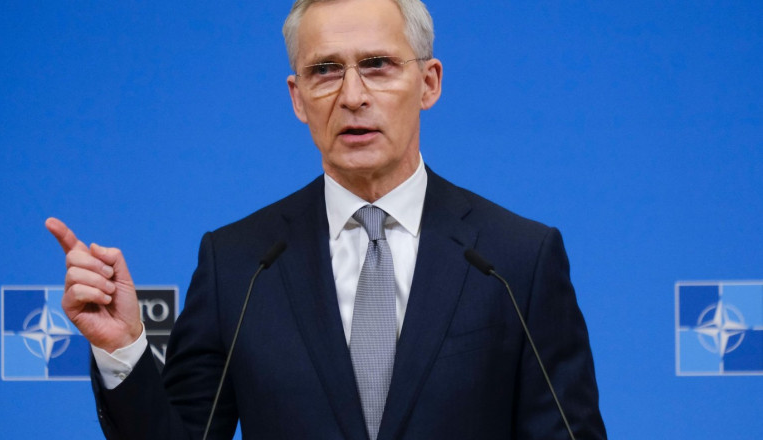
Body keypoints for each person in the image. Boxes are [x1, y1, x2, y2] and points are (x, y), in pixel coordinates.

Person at [46, 0, 607, 438]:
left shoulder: (516, 258)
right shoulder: (238, 264)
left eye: (378, 66)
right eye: (325, 71)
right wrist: (122, 348)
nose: (353, 95)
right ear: (297, 96)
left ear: (429, 83)